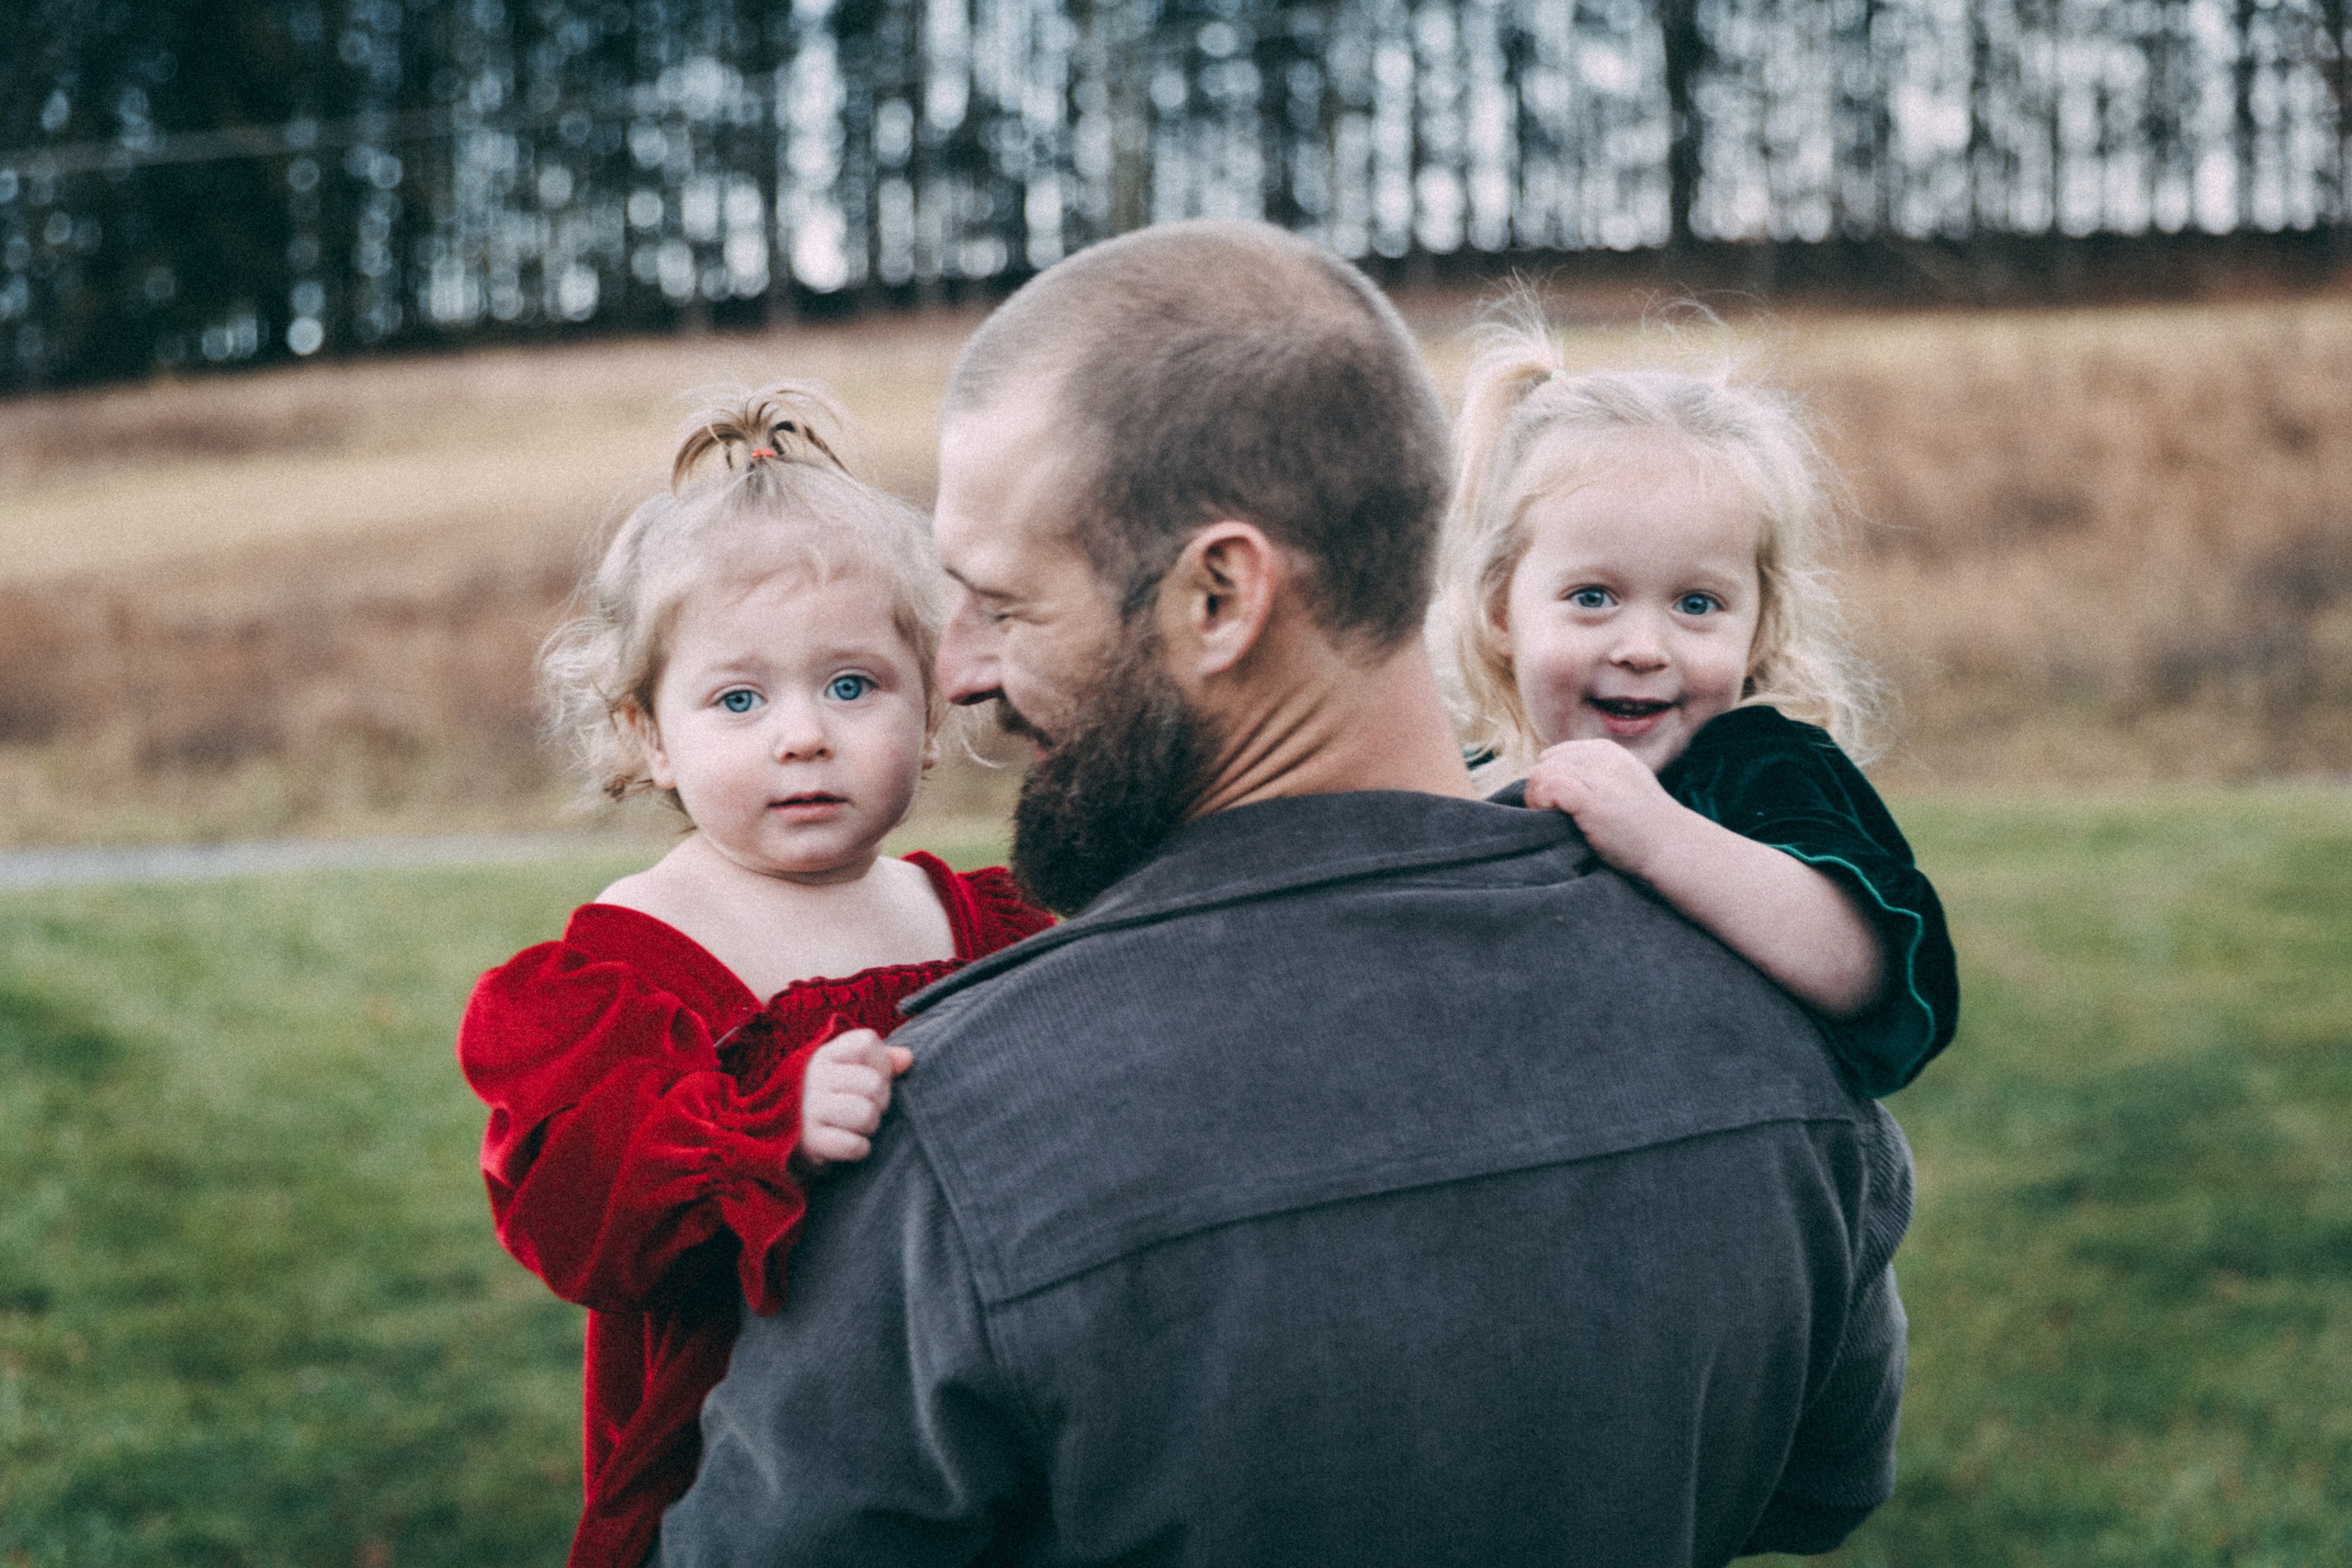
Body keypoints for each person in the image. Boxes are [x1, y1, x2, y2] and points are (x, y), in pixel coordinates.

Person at [661, 221, 1914, 1567]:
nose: (958, 670)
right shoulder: (1775, 1036)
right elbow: (1821, 1483)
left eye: (1004, 605)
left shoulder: (956, 1136)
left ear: (1219, 596)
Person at [455, 385, 1051, 1568]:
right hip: (739, 1473)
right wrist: (757, 1127)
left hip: (977, 1431)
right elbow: (572, 1216)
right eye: (738, 698)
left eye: (851, 686)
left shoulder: (979, 920)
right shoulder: (625, 968)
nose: (801, 736)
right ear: (648, 736)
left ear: (930, 714)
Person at [1430, 325, 1957, 1096]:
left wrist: (1660, 838)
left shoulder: (1763, 770)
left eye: (1697, 603)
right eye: (1593, 597)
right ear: (1501, 613)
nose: (1643, 646)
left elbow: (1872, 973)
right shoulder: (1467, 787)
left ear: (1760, 627)